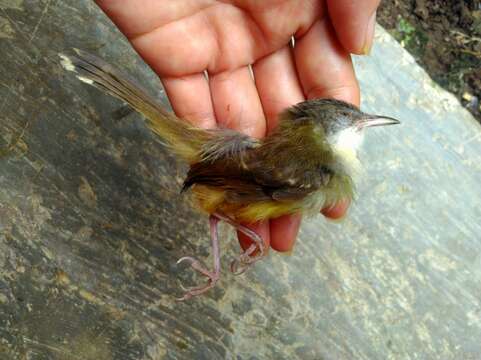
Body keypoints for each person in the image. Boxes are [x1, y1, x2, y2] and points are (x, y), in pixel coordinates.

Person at [94, 0, 381, 254]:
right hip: (228, 172)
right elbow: (233, 194)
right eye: (349, 120)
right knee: (228, 211)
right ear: (323, 131)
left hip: (234, 163)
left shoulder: (312, 160)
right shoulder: (315, 177)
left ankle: (100, 74)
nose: (361, 124)